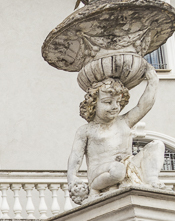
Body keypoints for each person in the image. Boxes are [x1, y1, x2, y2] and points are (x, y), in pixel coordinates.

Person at [67, 64, 165, 203]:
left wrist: (153, 82)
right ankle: (95, 188)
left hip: (127, 167)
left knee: (157, 145)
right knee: (117, 170)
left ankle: (151, 182)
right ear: (93, 104)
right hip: (100, 172)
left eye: (118, 102)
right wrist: (72, 176)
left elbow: (144, 105)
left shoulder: (124, 121)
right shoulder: (86, 130)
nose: (115, 107)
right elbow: (76, 156)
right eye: (108, 102)